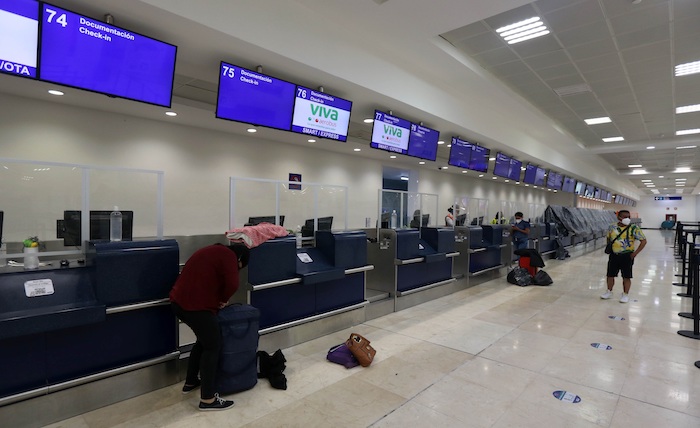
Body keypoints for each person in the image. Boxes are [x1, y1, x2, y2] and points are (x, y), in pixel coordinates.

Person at [170, 243, 250, 411]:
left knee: (204, 341)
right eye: (240, 267)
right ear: (240, 259)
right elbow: (232, 283)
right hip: (195, 307)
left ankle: (191, 382)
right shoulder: (229, 256)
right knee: (213, 345)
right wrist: (223, 299)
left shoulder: (211, 250)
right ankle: (207, 399)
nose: (238, 269)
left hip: (179, 302)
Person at [601, 210, 646, 303]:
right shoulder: (612, 227)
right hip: (614, 255)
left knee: (626, 276)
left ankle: (625, 294)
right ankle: (609, 291)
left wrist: (635, 253)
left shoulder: (634, 228)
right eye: (625, 217)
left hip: (627, 256)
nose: (627, 219)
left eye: (629, 217)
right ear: (619, 217)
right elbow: (608, 238)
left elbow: (643, 241)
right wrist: (610, 247)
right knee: (610, 275)